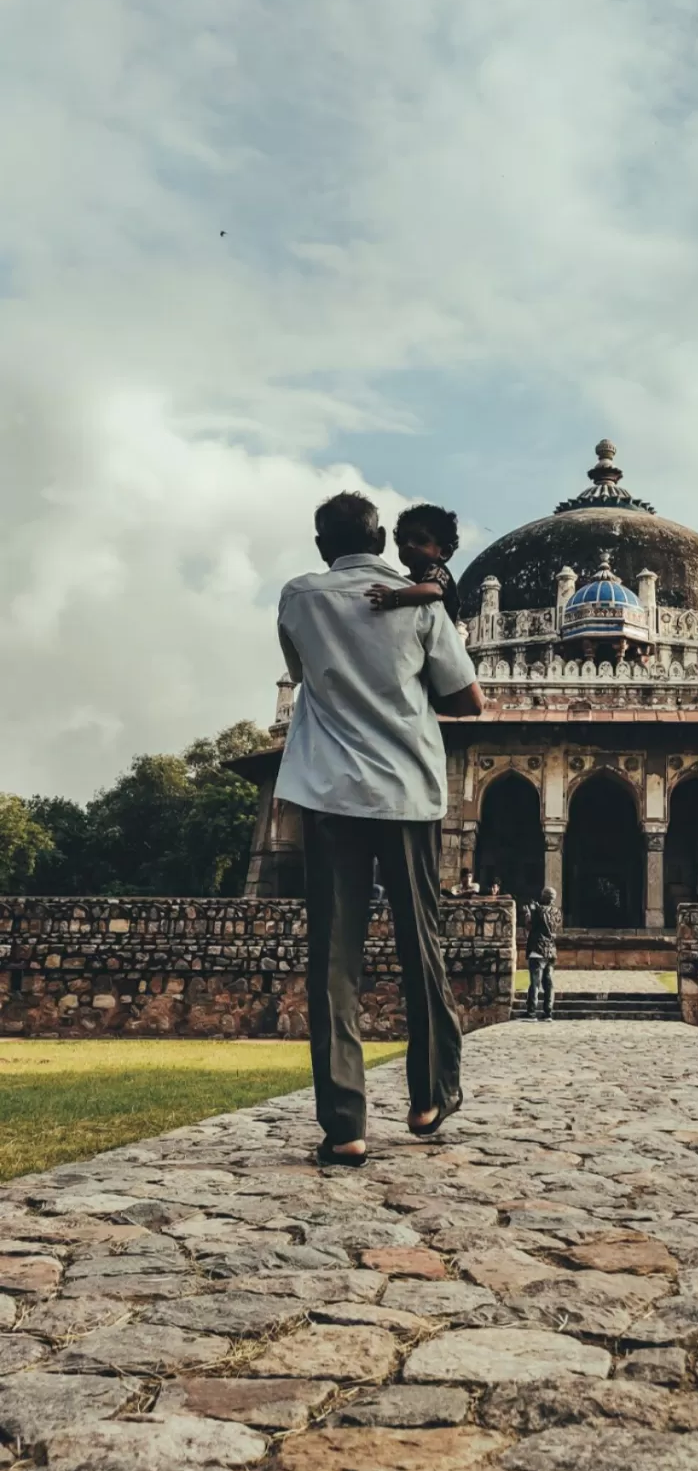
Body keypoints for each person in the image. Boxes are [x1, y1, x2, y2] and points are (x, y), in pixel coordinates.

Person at [275, 491, 483, 1167]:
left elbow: (304, 675)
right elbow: (467, 700)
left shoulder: (300, 596)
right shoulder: (421, 603)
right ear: (385, 539)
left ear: (321, 543)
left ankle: (345, 1126)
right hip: (405, 793)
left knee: (333, 958)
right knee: (420, 945)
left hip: (329, 792)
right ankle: (430, 1096)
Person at [365, 504, 461, 626]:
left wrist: (394, 597)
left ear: (444, 552)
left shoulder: (437, 570)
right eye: (402, 541)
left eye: (420, 541)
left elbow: (433, 590)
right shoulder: (414, 577)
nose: (409, 545)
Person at [523, 886, 561, 1021]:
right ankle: (548, 1012)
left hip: (537, 949)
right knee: (548, 983)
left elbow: (529, 926)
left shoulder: (537, 910)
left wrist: (528, 914)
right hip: (550, 950)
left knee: (535, 983)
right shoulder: (557, 912)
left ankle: (531, 1011)